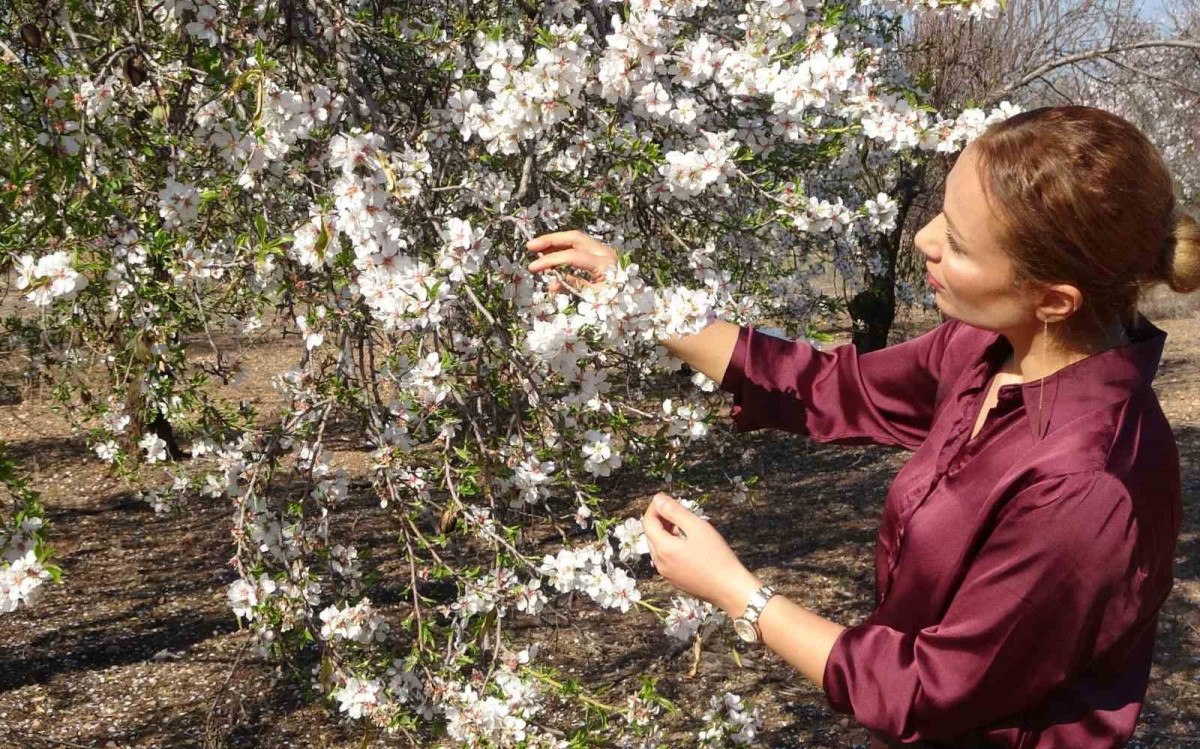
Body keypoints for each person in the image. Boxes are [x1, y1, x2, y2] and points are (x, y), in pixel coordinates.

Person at [525, 106, 1200, 747]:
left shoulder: (1086, 489)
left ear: (1052, 299)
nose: (924, 239)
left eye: (957, 243)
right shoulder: (985, 350)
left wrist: (738, 592)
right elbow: (829, 386)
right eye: (942, 213)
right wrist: (638, 301)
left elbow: (927, 688)